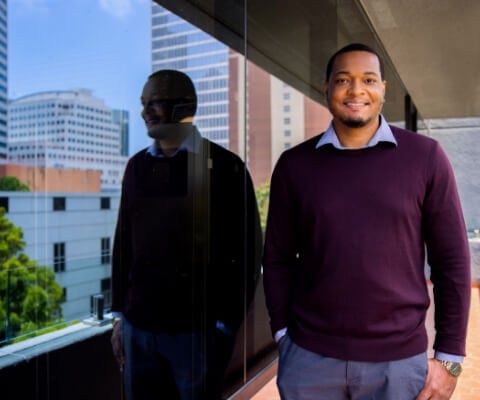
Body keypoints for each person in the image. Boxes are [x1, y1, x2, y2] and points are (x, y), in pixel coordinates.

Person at [262, 43, 471, 400]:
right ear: (326, 88)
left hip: (399, 365)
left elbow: (451, 261)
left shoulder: (426, 158)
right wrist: (283, 334)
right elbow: (277, 259)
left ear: (383, 90)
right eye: (343, 79)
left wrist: (449, 357)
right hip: (310, 362)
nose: (356, 90)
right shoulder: (294, 166)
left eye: (368, 80)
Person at [110, 69, 262, 400]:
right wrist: (120, 317)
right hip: (138, 330)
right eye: (143, 103)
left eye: (156, 102)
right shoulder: (136, 167)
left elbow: (248, 253)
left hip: (197, 336)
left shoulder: (226, 167)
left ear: (185, 106)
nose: (145, 111)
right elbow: (124, 244)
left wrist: (223, 327)